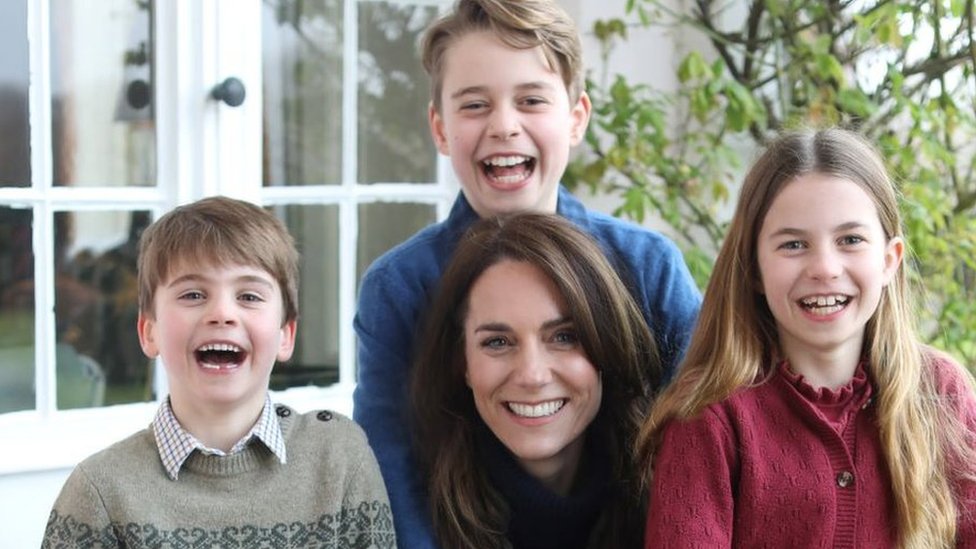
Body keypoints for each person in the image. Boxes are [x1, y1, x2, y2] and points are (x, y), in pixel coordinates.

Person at [352, 0, 701, 545]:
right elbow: (390, 478)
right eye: (474, 105)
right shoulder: (399, 288)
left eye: (531, 100)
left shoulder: (648, 269)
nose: (504, 126)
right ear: (440, 129)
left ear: (576, 118)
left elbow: (701, 453)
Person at [637, 128, 976, 548]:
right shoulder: (709, 419)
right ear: (754, 269)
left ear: (890, 261)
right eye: (794, 244)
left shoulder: (941, 394)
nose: (825, 268)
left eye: (850, 240)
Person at [42, 196, 396, 548]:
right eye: (193, 295)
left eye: (249, 297)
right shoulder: (99, 493)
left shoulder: (339, 458)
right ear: (149, 332)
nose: (222, 314)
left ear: (285, 335)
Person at [412, 213, 659, 549]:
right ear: (463, 363)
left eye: (565, 337)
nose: (532, 376)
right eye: (497, 342)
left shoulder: (668, 489)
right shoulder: (409, 511)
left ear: (608, 347)